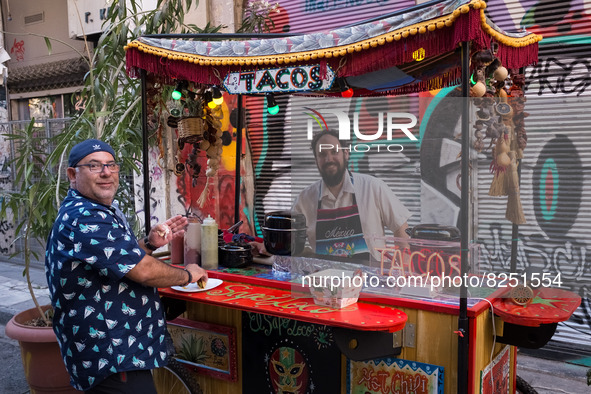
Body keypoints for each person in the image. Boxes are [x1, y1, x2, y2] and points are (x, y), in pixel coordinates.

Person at [45, 139, 207, 393]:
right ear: (72, 174)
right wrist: (188, 275)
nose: (106, 172)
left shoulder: (94, 211)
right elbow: (141, 270)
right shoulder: (84, 216)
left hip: (118, 349)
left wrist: (150, 243)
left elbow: (116, 260)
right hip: (111, 352)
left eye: (111, 165)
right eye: (94, 166)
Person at [293, 129, 411, 263]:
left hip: (370, 281)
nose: (329, 159)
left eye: (334, 152)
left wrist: (402, 273)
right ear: (316, 160)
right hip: (323, 280)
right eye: (322, 154)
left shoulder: (372, 187)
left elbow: (402, 231)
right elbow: (291, 243)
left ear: (346, 153)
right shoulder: (304, 200)